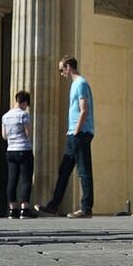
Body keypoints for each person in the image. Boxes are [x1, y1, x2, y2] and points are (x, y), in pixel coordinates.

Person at [40, 56, 95, 218]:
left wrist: (76, 130)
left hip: (81, 133)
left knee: (83, 171)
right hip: (73, 133)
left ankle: (86, 208)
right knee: (64, 170)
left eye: (61, 69)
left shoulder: (80, 83)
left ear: (68, 67)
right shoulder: (75, 84)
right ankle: (53, 205)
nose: (61, 73)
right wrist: (72, 131)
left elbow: (84, 109)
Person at [2, 90, 36, 220]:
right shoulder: (24, 115)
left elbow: (4, 136)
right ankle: (24, 209)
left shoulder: (5, 116)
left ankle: (12, 209)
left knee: (12, 180)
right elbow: (28, 133)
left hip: (11, 150)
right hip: (23, 149)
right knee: (26, 179)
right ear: (25, 102)